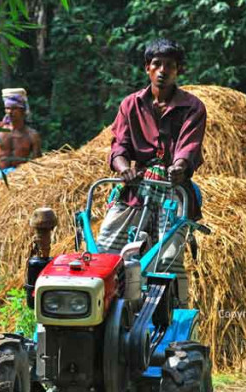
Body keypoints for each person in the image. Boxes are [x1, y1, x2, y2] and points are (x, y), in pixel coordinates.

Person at [96, 38, 206, 307]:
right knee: (105, 249)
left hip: (173, 191)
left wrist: (179, 168)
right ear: (147, 67)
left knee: (167, 259)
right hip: (135, 189)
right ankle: (109, 308)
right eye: (157, 64)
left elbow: (188, 148)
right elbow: (119, 146)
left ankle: (171, 312)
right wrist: (124, 169)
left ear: (179, 70)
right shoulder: (130, 104)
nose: (162, 70)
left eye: (170, 65)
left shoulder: (193, 107)